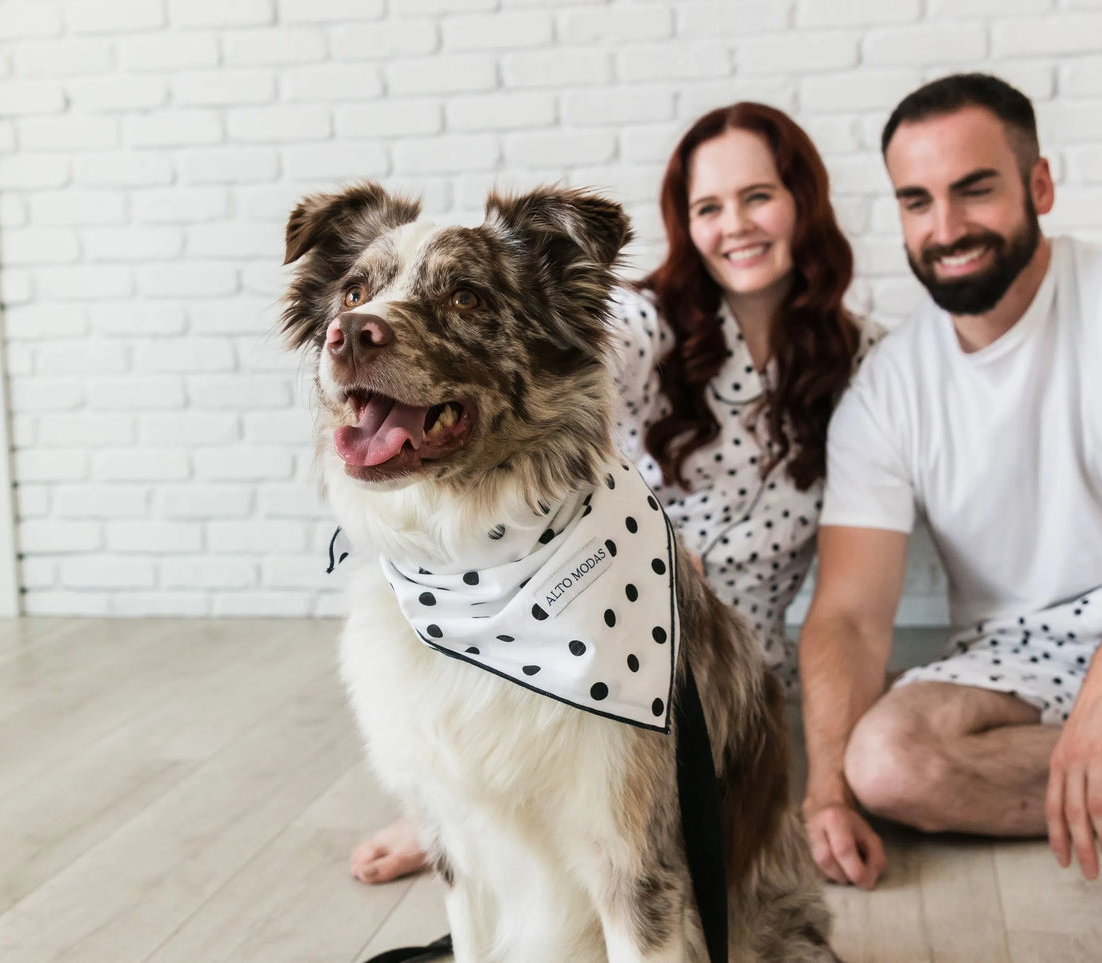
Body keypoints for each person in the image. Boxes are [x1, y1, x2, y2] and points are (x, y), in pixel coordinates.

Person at [796, 72, 1102, 962]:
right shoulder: (888, 387)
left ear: (1039, 185)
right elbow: (849, 615)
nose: (945, 226)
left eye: (973, 188)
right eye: (917, 201)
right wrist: (826, 791)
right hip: (1024, 658)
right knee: (885, 763)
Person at [350, 101, 880, 885]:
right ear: (685, 225)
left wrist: (830, 789)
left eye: (757, 196)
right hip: (589, 623)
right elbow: (548, 385)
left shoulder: (860, 357)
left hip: (735, 670)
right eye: (708, 207)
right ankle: (456, 810)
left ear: (804, 201)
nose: (734, 224)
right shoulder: (640, 323)